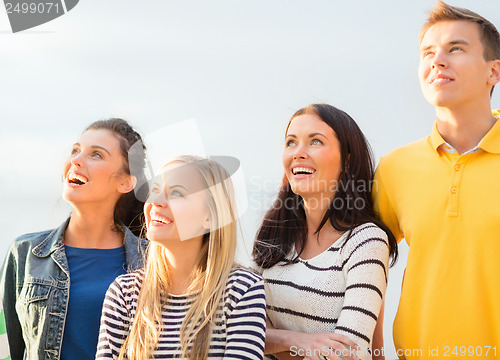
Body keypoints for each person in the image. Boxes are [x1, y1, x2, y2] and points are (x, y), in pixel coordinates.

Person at [373, 2, 500, 359]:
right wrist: (374, 348)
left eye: (455, 49)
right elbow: (364, 265)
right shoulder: (394, 168)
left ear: (494, 72)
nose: (437, 60)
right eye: (428, 52)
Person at [253, 104, 398, 360]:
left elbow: (346, 352)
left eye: (315, 142)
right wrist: (294, 340)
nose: (298, 153)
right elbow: (238, 332)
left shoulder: (366, 241)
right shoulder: (275, 236)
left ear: (347, 161)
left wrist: (271, 341)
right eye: (291, 142)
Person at [0, 118, 149, 360]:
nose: (76, 160)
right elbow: (4, 351)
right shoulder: (24, 253)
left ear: (125, 181)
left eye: (96, 155)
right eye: (76, 150)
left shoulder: (153, 262)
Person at [96, 155, 267, 360]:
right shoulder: (125, 293)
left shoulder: (242, 289)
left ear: (210, 217)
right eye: (156, 190)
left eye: (176, 193)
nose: (156, 202)